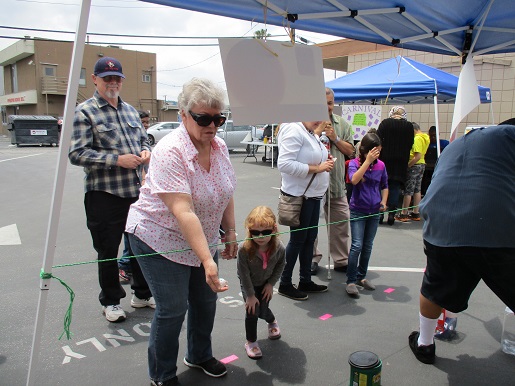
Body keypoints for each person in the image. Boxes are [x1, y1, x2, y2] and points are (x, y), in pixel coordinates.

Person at [125, 78, 238, 385]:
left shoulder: (220, 146)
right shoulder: (170, 151)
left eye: (219, 118)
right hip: (159, 237)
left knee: (205, 300)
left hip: (202, 237)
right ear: (183, 115)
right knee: (173, 308)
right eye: (203, 118)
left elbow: (225, 190)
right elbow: (182, 211)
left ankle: (199, 354)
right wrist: (207, 259)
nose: (212, 125)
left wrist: (230, 231)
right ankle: (162, 375)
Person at [408, 122, 515, 365]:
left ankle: (425, 344)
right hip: (496, 225)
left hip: (441, 224)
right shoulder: (509, 138)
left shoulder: (458, 144)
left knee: (435, 287)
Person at [69, 56, 154, 323]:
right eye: (107, 78)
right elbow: (77, 154)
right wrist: (116, 160)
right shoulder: (85, 111)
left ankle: (141, 294)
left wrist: (145, 151)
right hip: (104, 194)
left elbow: (144, 140)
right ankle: (111, 301)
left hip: (135, 192)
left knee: (142, 245)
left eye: (117, 78)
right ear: (95, 80)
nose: (113, 83)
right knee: (107, 250)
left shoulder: (130, 111)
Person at [277, 120, 335, 300]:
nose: (319, 119)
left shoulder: (308, 132)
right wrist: (318, 168)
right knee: (298, 240)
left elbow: (310, 155)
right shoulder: (294, 130)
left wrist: (324, 161)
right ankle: (285, 283)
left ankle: (305, 280)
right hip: (301, 197)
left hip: (312, 196)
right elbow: (284, 164)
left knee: (309, 239)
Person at [310, 88, 355, 275]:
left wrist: (334, 137)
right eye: (323, 103)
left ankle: (341, 259)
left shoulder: (342, 124)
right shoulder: (307, 124)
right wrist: (317, 132)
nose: (327, 107)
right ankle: (311, 258)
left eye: (329, 103)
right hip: (312, 184)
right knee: (311, 223)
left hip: (336, 184)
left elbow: (351, 151)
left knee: (341, 223)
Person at [237, 206, 286, 359]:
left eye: (265, 232)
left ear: (274, 229)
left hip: (265, 283)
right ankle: (251, 341)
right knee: (252, 312)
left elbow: (281, 266)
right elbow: (243, 273)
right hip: (249, 285)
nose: (260, 236)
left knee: (263, 311)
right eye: (255, 232)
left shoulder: (278, 247)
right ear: (249, 231)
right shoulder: (244, 249)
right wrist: (250, 295)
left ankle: (271, 321)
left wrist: (271, 283)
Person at [345, 133, 388, 297]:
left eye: (379, 151)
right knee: (357, 245)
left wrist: (384, 201)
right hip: (358, 209)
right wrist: (367, 161)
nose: (377, 154)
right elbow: (354, 180)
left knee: (368, 245)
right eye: (375, 151)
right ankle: (350, 280)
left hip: (374, 210)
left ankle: (361, 277)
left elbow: (385, 185)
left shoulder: (381, 166)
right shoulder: (354, 164)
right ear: (366, 150)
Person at [119, 110, 151, 284]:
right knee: (129, 234)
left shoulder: (143, 139)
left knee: (136, 233)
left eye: (147, 122)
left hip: (139, 192)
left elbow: (147, 165)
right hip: (123, 193)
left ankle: (141, 290)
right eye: (143, 122)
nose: (145, 125)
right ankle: (124, 266)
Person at [376, 106, 414, 225]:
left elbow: (377, 140)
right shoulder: (409, 126)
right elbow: (410, 143)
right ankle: (392, 213)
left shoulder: (385, 124)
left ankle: (380, 213)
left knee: (381, 185)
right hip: (401, 161)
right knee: (395, 186)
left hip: (385, 159)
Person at [396, 122, 430, 222]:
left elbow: (417, 156)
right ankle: (416, 212)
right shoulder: (425, 138)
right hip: (422, 164)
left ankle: (404, 213)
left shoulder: (417, 139)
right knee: (417, 189)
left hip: (414, 165)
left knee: (408, 190)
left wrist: (408, 165)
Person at [421, 126, 449, 196]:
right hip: (427, 167)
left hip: (439, 166)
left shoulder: (444, 143)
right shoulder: (426, 143)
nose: (433, 138)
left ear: (438, 134)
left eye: (435, 136)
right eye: (431, 136)